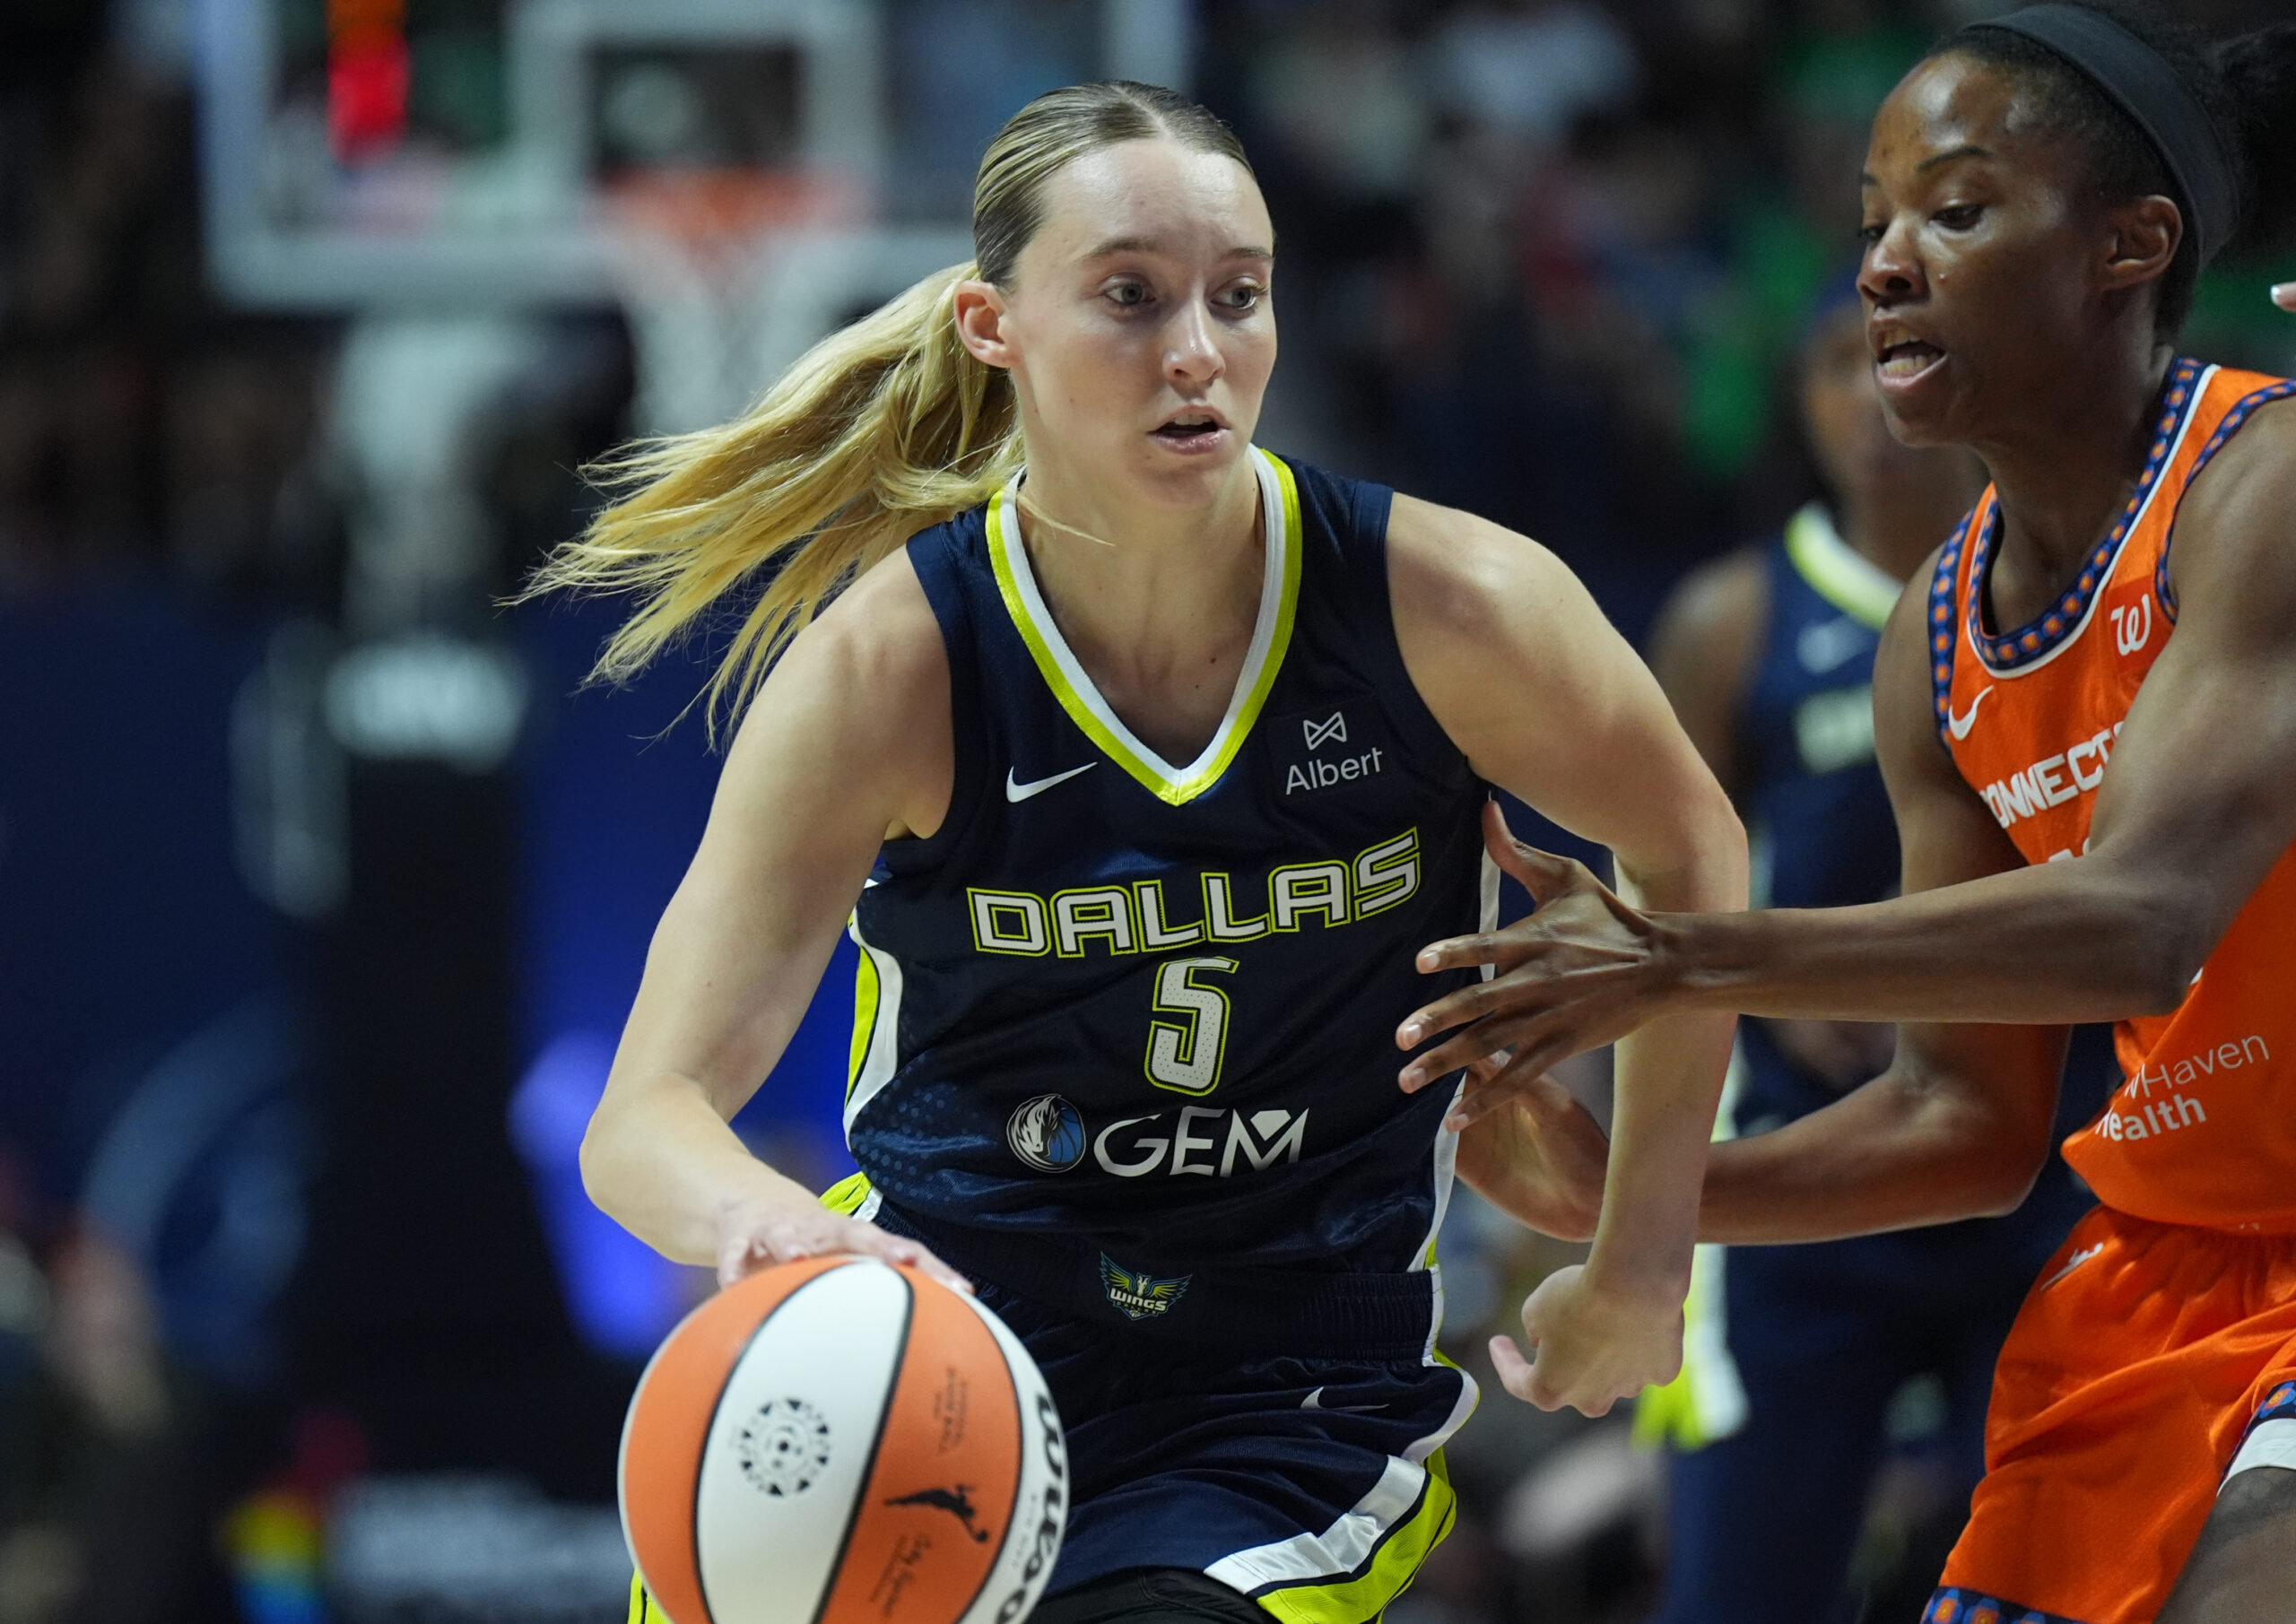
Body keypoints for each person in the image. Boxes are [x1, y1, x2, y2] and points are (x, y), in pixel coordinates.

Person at [535, 83, 1745, 1624]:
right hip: (940, 1334)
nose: (1198, 351)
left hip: (1283, 1377)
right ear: (993, 325)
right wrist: (756, 1223)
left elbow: (1692, 845)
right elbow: (643, 1114)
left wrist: (1644, 1262)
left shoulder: (1451, 606)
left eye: (1238, 298)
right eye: (1129, 296)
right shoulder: (892, 666)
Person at [1396, 4, 2296, 1620]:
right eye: (1872, 220)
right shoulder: (1933, 639)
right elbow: (1962, 1122)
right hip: (2167, 1272)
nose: (1885, 262)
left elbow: (2146, 925)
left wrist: (1685, 957)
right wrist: (1629, 1191)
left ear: (2130, 245)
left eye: (1954, 210)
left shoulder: (2266, 484)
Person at [1635, 289, 2101, 1624]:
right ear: (1800, 399)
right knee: (1737, 1594)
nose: (1869, 401)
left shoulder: (2079, 589)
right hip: (1809, 1178)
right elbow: (1655, 907)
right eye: (1835, 366)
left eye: (1894, 359)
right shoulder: (1732, 621)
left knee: (2048, 1591)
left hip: (2046, 1171)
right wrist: (1636, 1203)